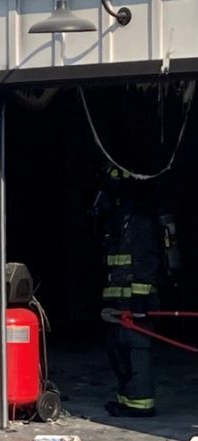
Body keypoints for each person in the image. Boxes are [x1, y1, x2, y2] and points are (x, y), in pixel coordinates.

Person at [96, 165, 162, 417]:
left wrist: (140, 299)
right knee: (119, 350)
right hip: (119, 301)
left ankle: (141, 404)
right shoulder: (121, 218)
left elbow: (146, 260)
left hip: (136, 301)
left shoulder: (140, 219)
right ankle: (127, 400)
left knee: (137, 351)